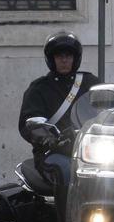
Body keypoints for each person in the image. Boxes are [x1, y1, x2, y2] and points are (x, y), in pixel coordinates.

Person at [18, 32, 97, 165]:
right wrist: (48, 138)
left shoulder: (90, 83)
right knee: (66, 174)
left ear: (75, 58)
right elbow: (30, 123)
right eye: (59, 56)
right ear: (51, 59)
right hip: (53, 153)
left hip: (89, 151)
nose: (64, 60)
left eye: (68, 55)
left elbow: (107, 110)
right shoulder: (39, 88)